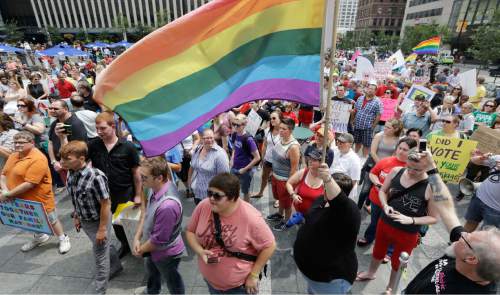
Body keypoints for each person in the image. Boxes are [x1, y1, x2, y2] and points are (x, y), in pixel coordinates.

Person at [356, 150, 441, 294]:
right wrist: (385, 205)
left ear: (427, 167)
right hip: (385, 222)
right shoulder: (396, 171)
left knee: (398, 262)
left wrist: (411, 220)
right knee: (378, 250)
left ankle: (390, 286)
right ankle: (371, 272)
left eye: (417, 169)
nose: (411, 172)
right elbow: (383, 191)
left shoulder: (431, 185)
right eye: (409, 167)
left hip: (407, 232)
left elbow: (434, 218)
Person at [185, 173, 276, 294]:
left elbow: (269, 245)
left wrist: (254, 275)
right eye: (209, 193)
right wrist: (200, 251)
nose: (211, 198)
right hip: (211, 282)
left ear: (233, 198)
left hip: (238, 288)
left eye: (217, 196)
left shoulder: (251, 218)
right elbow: (190, 231)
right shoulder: (204, 206)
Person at [60, 141, 122, 294]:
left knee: (99, 255)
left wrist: (102, 229)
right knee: (103, 246)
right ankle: (117, 266)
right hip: (85, 220)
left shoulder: (96, 176)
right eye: (62, 158)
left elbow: (106, 204)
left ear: (81, 158)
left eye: (67, 158)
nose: (62, 162)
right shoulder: (71, 174)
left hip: (99, 221)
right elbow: (75, 197)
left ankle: (100, 290)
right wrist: (76, 216)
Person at [294, 166, 361, 294]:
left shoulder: (349, 212)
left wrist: (328, 178)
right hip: (311, 273)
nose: (323, 189)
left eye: (326, 186)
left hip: (331, 280)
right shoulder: (321, 200)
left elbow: (340, 202)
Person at [1, 131, 71, 254]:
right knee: (31, 220)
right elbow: (3, 174)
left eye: (21, 142)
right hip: (18, 197)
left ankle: (63, 238)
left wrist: (8, 194)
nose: (17, 145)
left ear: (32, 143)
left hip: (38, 198)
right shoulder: (14, 155)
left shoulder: (38, 158)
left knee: (51, 219)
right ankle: (40, 237)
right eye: (15, 142)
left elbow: (30, 183)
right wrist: (5, 190)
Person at [87, 111, 142, 258]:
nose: (99, 132)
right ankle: (125, 244)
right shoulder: (93, 145)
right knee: (114, 223)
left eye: (103, 128)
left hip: (124, 192)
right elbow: (77, 157)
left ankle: (136, 243)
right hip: (104, 194)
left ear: (112, 126)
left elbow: (136, 173)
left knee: (128, 221)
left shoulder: (128, 147)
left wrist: (137, 194)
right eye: (97, 128)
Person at [132, 157, 186, 295]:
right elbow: (145, 213)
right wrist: (136, 238)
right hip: (152, 247)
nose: (141, 180)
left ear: (159, 177)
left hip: (165, 253)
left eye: (144, 177)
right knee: (152, 272)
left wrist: (140, 250)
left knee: (173, 282)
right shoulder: (154, 187)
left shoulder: (167, 206)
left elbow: (158, 240)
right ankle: (152, 291)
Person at [357, 137, 417, 250]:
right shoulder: (386, 160)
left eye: (405, 149)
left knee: (392, 227)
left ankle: (389, 250)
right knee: (374, 222)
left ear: (412, 152)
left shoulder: (413, 168)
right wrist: (378, 184)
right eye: (400, 148)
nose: (401, 151)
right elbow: (373, 173)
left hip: (396, 205)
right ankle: (369, 238)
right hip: (376, 200)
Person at [404, 228, 499, 294]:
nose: (462, 233)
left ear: (471, 258)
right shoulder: (464, 252)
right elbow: (448, 213)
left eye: (466, 237)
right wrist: (439, 198)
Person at [358, 119, 403, 210]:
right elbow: (373, 152)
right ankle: (358, 207)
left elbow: (394, 155)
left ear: (396, 129)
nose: (384, 128)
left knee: (377, 188)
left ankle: (367, 204)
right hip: (373, 164)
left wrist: (386, 167)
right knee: (365, 189)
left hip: (386, 168)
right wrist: (381, 165)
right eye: (385, 126)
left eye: (388, 127)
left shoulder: (399, 140)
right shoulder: (379, 136)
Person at [266, 117, 301, 231]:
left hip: (285, 180)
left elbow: (294, 169)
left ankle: (286, 222)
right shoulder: (280, 139)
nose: (280, 131)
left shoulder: (294, 147)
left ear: (290, 130)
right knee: (280, 199)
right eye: (280, 128)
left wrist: (289, 184)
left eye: (284, 129)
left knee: (287, 203)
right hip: (275, 176)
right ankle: (279, 214)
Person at [48, 99, 87, 183]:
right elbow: (50, 142)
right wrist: (54, 161)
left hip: (72, 166)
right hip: (60, 165)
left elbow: (76, 150)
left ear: (65, 109)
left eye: (56, 109)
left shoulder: (75, 123)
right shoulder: (55, 123)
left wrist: (63, 163)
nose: (52, 110)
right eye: (50, 108)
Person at [188, 128, 230, 205]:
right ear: (202, 139)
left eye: (211, 138)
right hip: (197, 192)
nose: (209, 140)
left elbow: (225, 178)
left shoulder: (220, 154)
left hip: (211, 197)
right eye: (207, 138)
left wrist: (220, 196)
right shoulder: (198, 149)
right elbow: (192, 166)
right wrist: (189, 181)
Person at [463, 152, 500, 231]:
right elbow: (473, 160)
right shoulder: (498, 158)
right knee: (470, 222)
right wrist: (482, 157)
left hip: (495, 209)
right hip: (479, 198)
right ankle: (460, 240)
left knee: (486, 233)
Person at [229, 114, 261, 202]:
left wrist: (245, 169)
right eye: (233, 124)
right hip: (234, 167)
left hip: (245, 170)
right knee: (233, 189)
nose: (235, 126)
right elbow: (235, 148)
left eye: (237, 125)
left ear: (244, 125)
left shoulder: (248, 139)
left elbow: (257, 157)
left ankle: (246, 210)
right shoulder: (235, 134)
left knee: (245, 191)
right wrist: (232, 158)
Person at [286, 148, 325, 218]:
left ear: (321, 163)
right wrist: (293, 195)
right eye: (310, 158)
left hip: (313, 217)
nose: (310, 161)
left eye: (314, 160)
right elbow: (288, 183)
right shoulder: (304, 172)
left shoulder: (325, 179)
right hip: (297, 213)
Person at [251, 111, 281, 199]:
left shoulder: (283, 131)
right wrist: (262, 158)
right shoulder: (268, 130)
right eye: (271, 118)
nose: (271, 120)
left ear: (280, 119)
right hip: (267, 159)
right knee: (264, 177)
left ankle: (278, 199)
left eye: (274, 118)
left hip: (278, 162)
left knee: (277, 181)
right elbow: (264, 145)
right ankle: (260, 192)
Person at [352, 83, 382, 158]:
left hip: (367, 127)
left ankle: (364, 159)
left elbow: (378, 115)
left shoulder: (377, 102)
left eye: (372, 89)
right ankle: (355, 156)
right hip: (357, 125)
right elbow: (355, 110)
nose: (370, 90)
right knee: (357, 142)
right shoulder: (360, 98)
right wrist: (353, 120)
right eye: (369, 88)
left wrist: (373, 126)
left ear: (375, 91)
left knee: (366, 145)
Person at [329, 133, 361, 199]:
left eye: (342, 142)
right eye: (338, 141)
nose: (339, 144)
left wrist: (343, 196)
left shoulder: (355, 160)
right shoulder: (334, 150)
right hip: (330, 185)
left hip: (343, 191)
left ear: (350, 144)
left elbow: (354, 181)